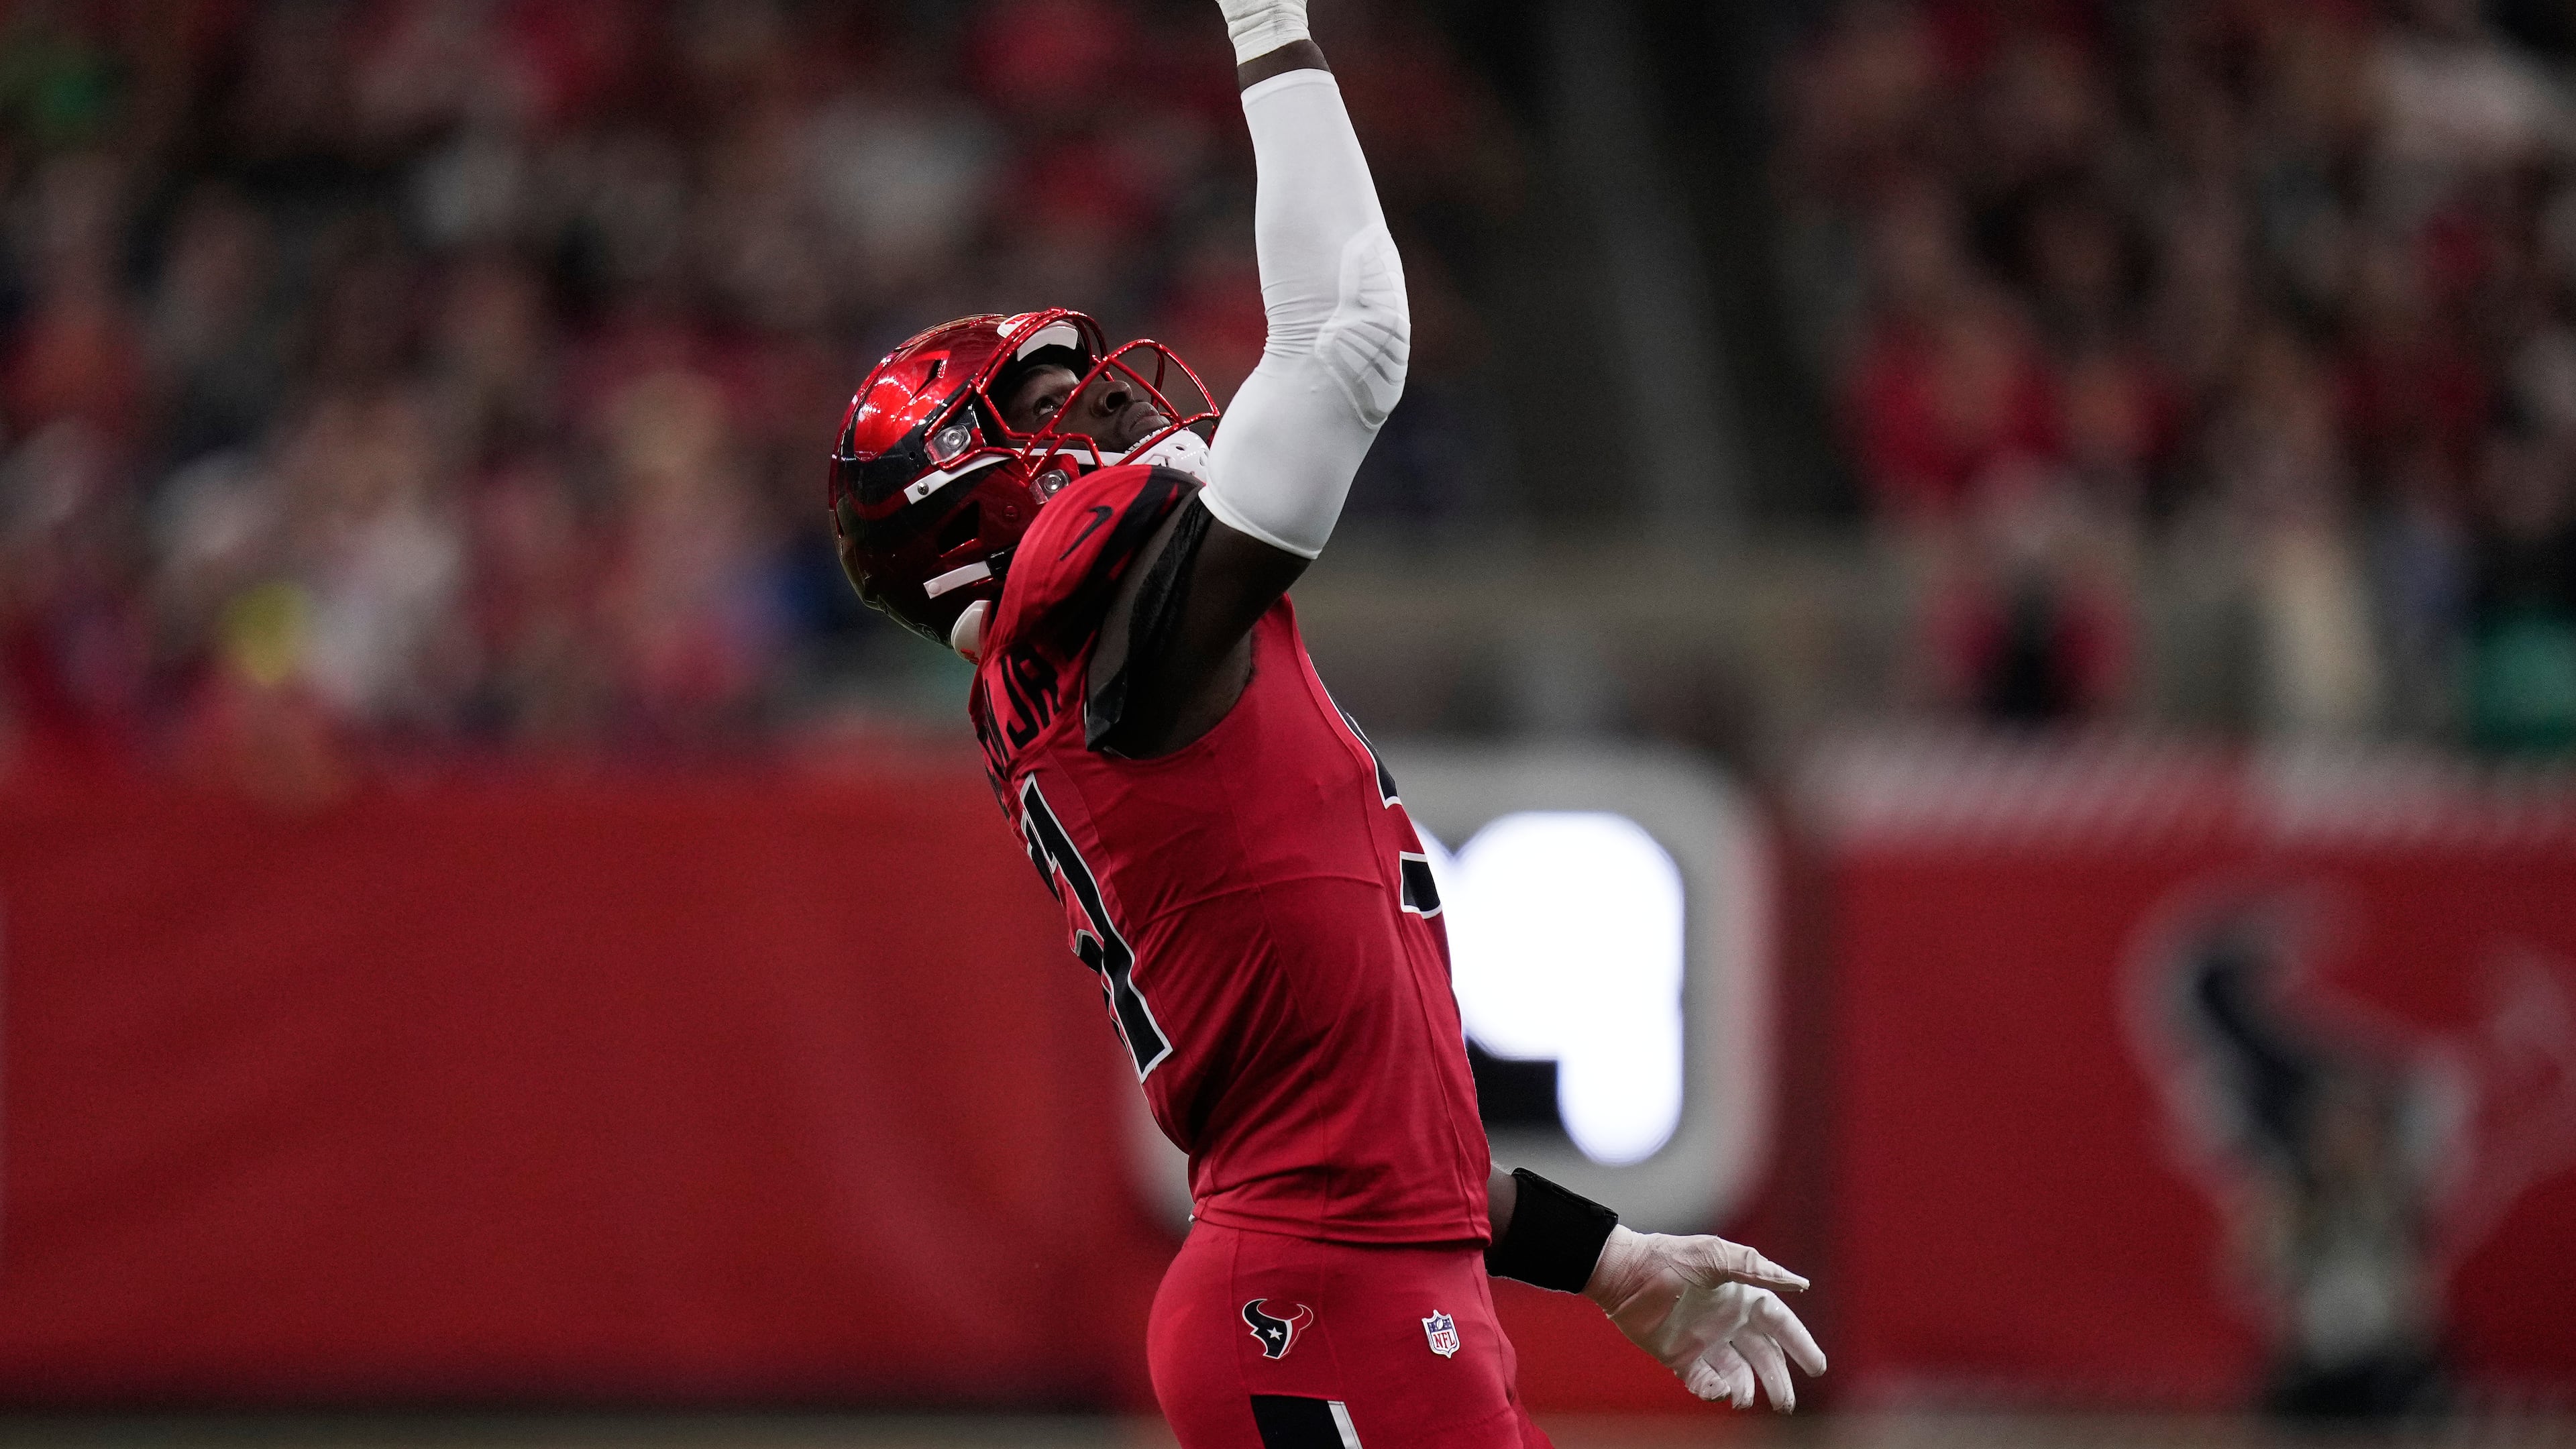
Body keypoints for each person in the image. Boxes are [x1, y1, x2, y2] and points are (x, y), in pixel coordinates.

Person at [824, 5, 1824, 1442]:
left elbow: (1367, 1138)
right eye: (1053, 412)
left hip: (1347, 1291)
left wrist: (1611, 1263)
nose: (1109, 419)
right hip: (1316, 1315)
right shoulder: (1087, 630)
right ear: (964, 512)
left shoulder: (1128, 664)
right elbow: (1352, 332)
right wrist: (1271, 25)